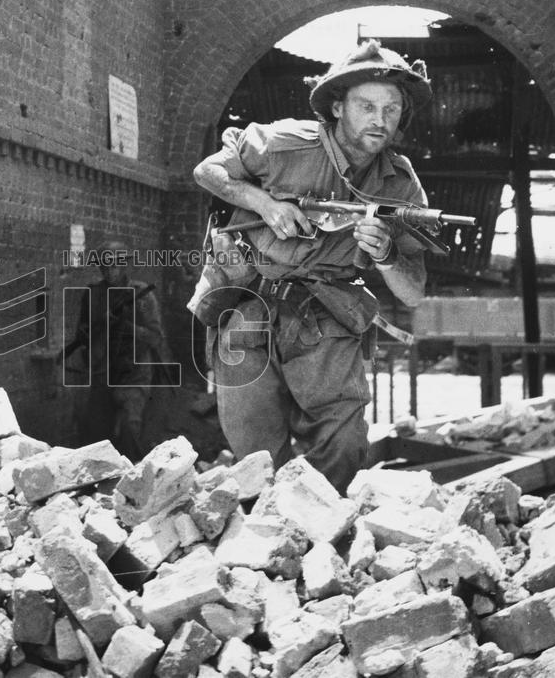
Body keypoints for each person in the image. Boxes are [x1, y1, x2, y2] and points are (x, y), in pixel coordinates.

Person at [191, 39, 431, 492]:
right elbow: (208, 171)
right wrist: (262, 203)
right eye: (366, 106)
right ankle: (275, 547)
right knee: (257, 459)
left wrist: (386, 255)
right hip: (249, 309)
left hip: (325, 318)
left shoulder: (399, 183)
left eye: (392, 109)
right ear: (338, 107)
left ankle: (326, 542)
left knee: (345, 448)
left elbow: (413, 291)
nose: (380, 120)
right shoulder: (283, 144)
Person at [66, 240, 167, 461]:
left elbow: (155, 337)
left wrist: (127, 327)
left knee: (131, 428)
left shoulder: (142, 295)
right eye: (105, 265)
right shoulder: (93, 295)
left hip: (134, 372)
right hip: (104, 371)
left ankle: (133, 477)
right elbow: (82, 336)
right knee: (95, 433)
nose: (110, 270)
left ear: (124, 266)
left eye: (115, 265)